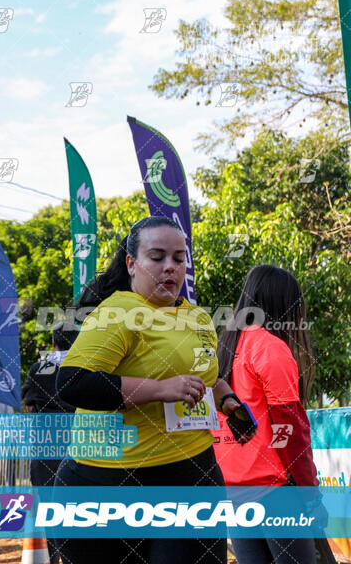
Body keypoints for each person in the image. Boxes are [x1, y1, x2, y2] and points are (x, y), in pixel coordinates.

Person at [55, 216, 255, 564]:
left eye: (179, 259)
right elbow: (73, 383)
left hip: (192, 477)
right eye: (157, 257)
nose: (170, 268)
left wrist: (226, 400)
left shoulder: (198, 318)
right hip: (107, 487)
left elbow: (207, 377)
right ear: (132, 264)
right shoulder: (119, 312)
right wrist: (159, 389)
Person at [213, 264, 327, 564]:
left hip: (235, 492)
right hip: (276, 491)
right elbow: (290, 430)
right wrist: (311, 496)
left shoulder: (224, 345)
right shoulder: (269, 348)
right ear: (283, 304)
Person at [22, 322, 79, 564]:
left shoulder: (39, 368)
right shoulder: (85, 367)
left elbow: (27, 402)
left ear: (54, 342)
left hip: (46, 450)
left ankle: (56, 557)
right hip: (80, 446)